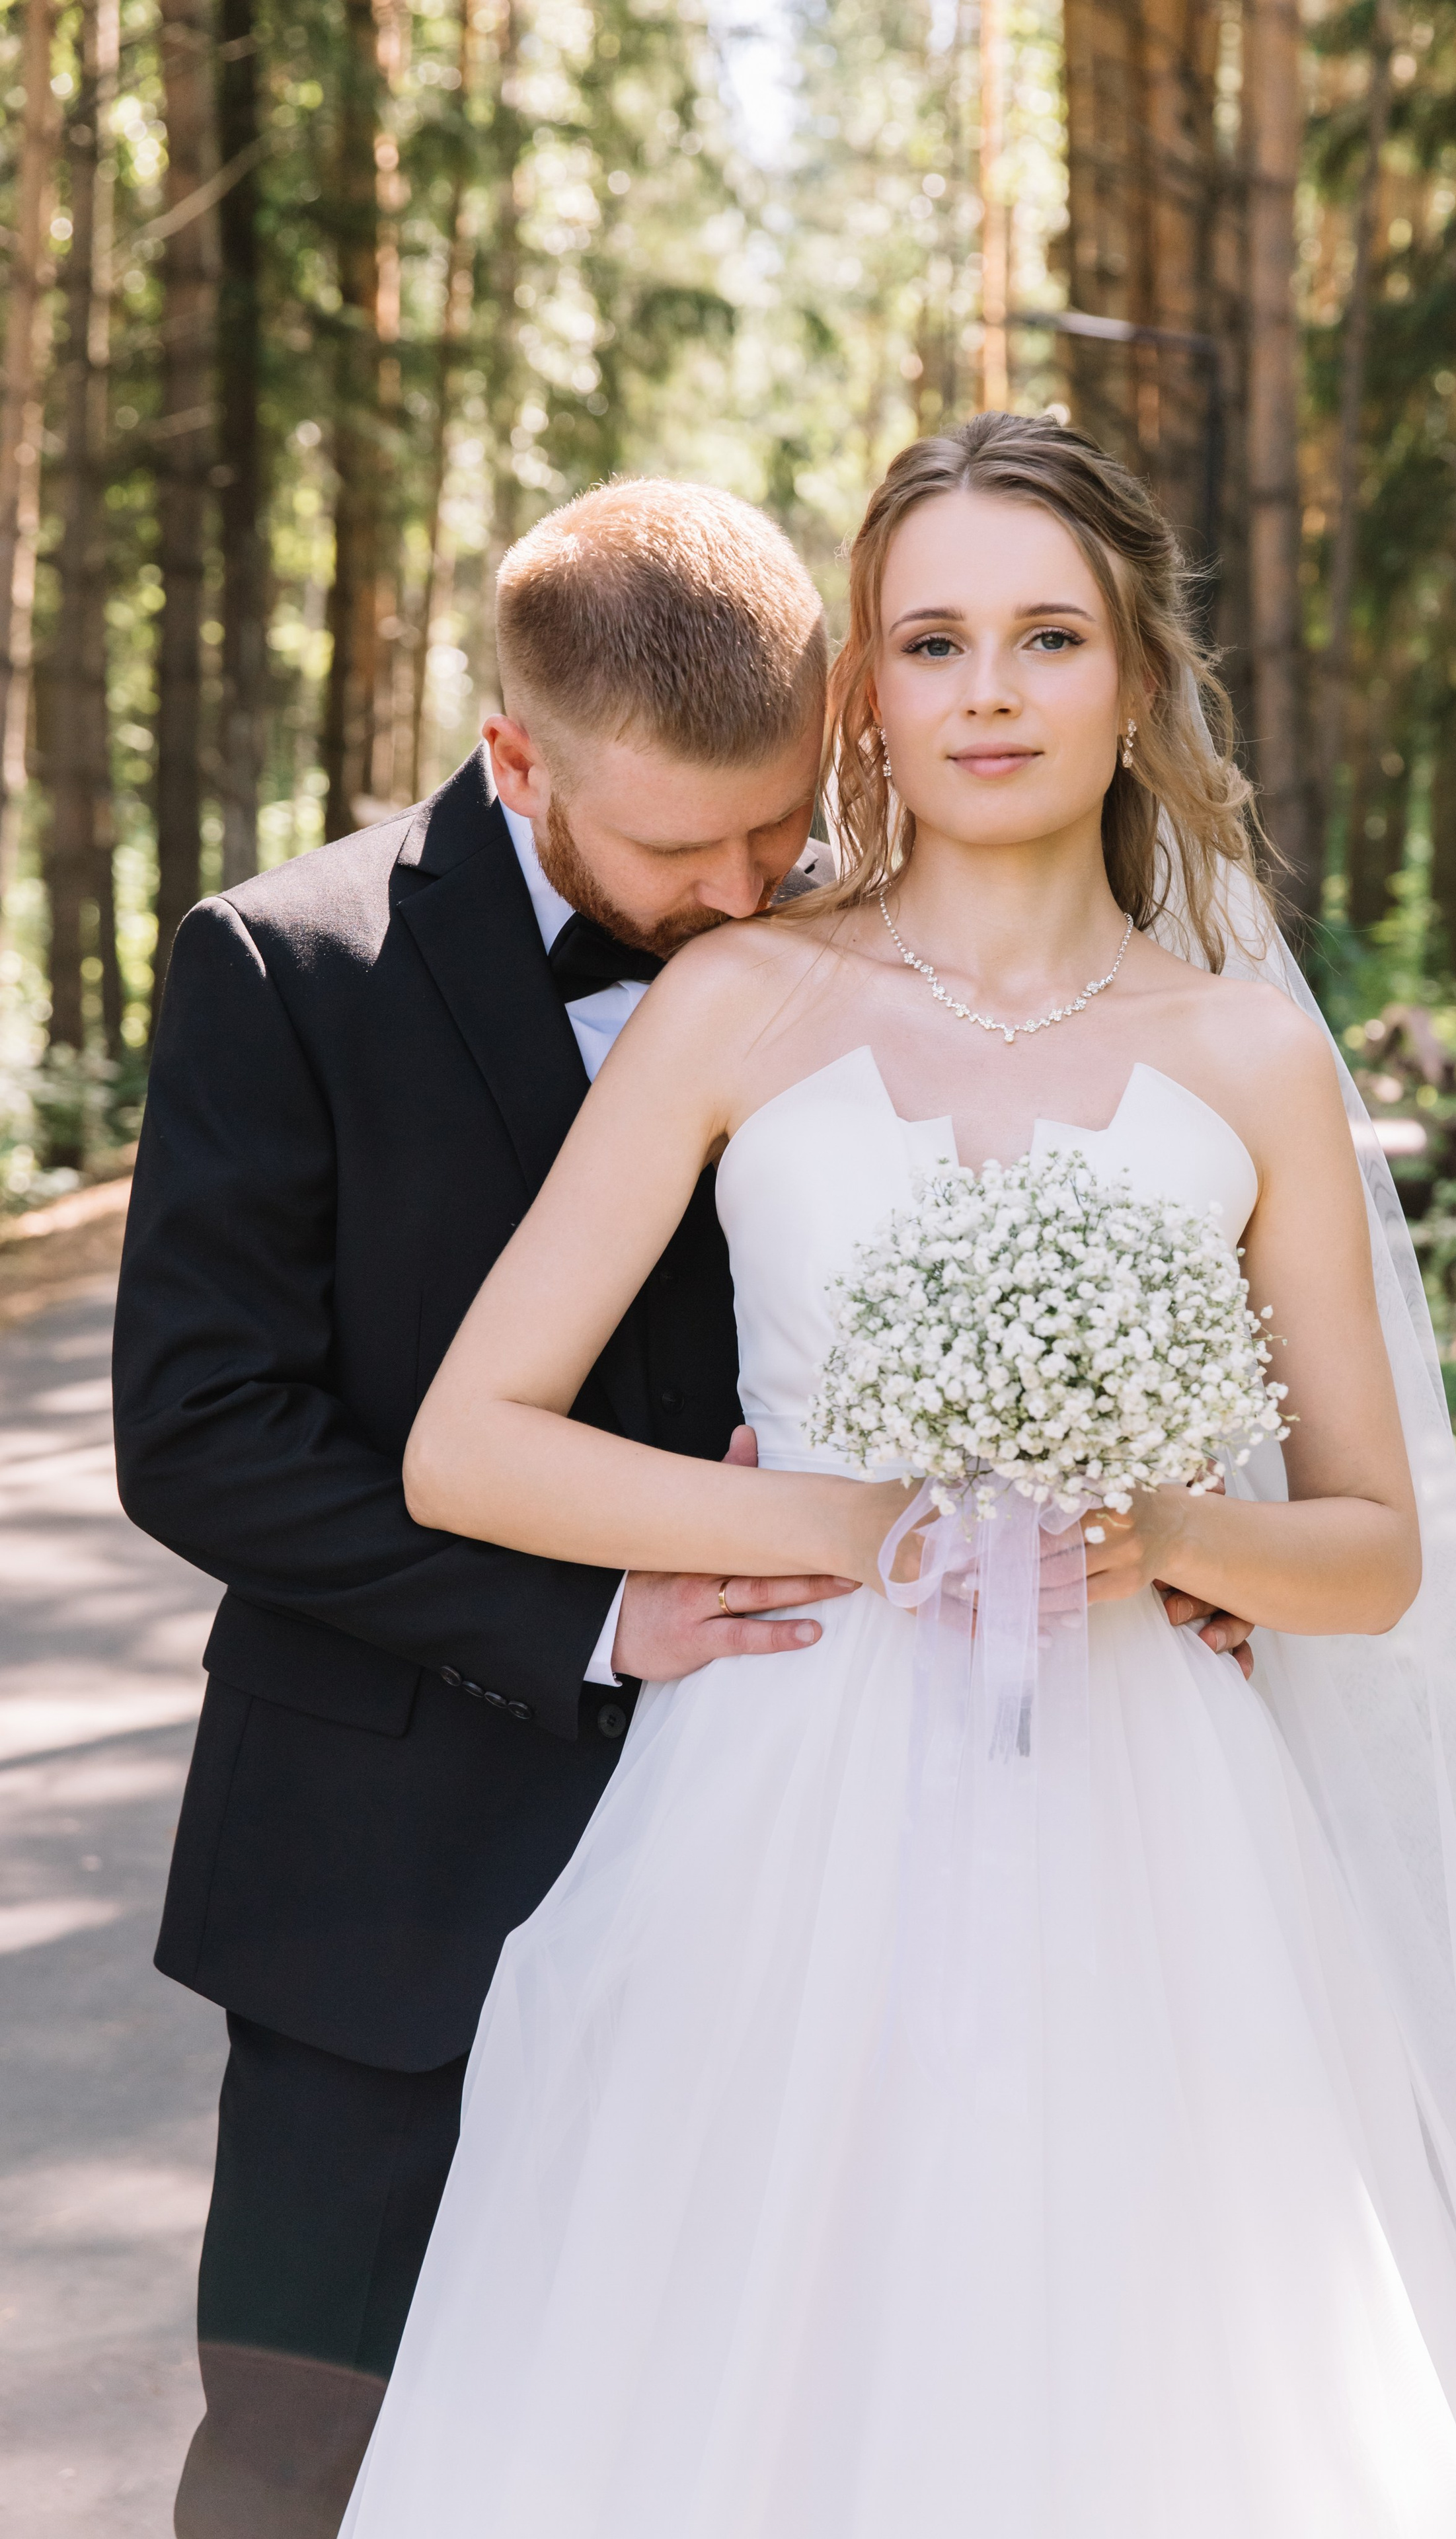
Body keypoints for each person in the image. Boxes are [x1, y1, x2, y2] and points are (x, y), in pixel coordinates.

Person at [341, 412, 1456, 2538]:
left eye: (1048, 636)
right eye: (936, 640)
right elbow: (466, 1442)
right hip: (780, 1820)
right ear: (861, 689)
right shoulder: (737, 1001)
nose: (991, 691)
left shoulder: (1246, 1056)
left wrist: (1159, 1534)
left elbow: (1369, 1548)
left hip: (1158, 1833)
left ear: (1133, 674)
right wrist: (864, 1528)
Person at [114, 471, 1253, 2539]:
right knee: (311, 2446)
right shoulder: (289, 965)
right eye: (677, 842)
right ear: (513, 756)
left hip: (819, 1847)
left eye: (780, 821)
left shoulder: (843, 958)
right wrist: (594, 1609)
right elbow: (200, 1430)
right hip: (393, 1861)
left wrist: (1148, 1524)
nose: (745, 886)